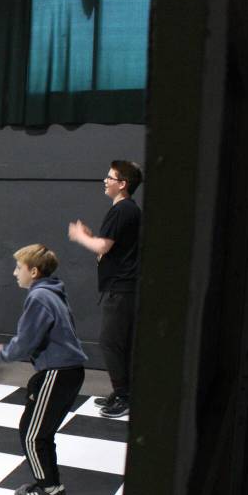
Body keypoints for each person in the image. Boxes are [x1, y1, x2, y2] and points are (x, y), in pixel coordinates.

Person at [0, 244, 87, 495]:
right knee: (39, 431)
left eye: (20, 268)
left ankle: (49, 489)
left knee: (33, 433)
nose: (15, 273)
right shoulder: (53, 293)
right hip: (66, 371)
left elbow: (26, 341)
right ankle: (48, 483)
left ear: (34, 271)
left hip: (57, 372)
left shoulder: (39, 297)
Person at [68, 160, 143, 419]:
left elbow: (103, 247)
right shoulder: (127, 210)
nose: (105, 181)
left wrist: (81, 236)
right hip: (123, 288)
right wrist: (94, 239)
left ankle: (124, 395)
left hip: (121, 289)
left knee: (111, 342)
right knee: (119, 342)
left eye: (110, 177)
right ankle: (123, 391)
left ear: (122, 184)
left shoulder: (122, 210)